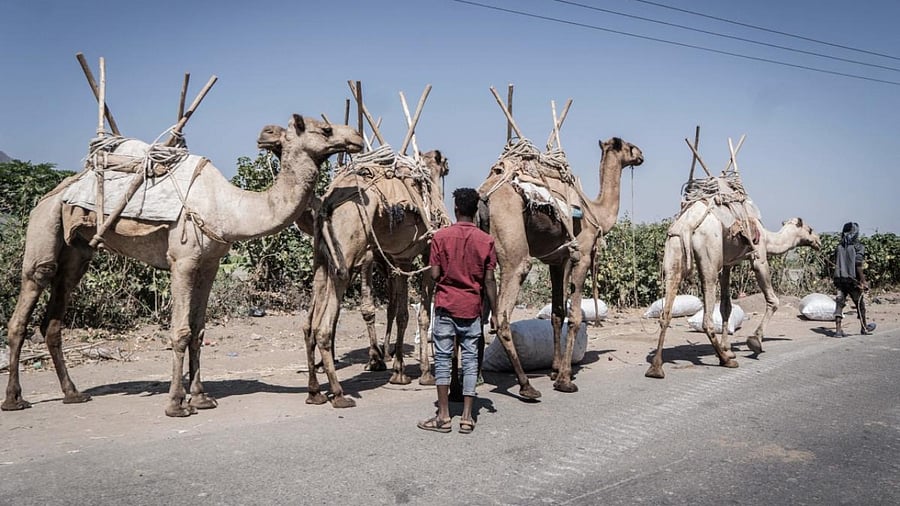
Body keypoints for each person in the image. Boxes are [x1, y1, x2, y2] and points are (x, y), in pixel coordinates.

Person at [418, 187, 498, 434]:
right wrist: (495, 312)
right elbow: (489, 280)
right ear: (476, 211)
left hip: (446, 306)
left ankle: (443, 416)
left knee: (442, 360)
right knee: (471, 361)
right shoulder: (486, 241)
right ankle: (466, 417)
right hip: (472, 308)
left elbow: (434, 274)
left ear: (456, 209)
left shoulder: (440, 238)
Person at [833, 222, 876, 337]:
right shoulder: (858, 247)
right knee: (860, 304)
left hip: (840, 280)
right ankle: (864, 327)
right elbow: (858, 265)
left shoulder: (839, 247)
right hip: (853, 281)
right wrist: (863, 281)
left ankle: (838, 330)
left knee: (839, 303)